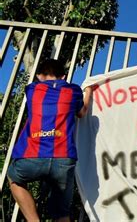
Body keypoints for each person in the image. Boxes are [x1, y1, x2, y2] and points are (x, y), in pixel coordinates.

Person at [7, 59, 92, 222]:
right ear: (64, 76)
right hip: (63, 158)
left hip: (31, 156)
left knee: (14, 178)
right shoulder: (74, 90)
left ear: (39, 75)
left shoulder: (31, 89)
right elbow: (81, 113)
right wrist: (88, 92)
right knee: (62, 213)